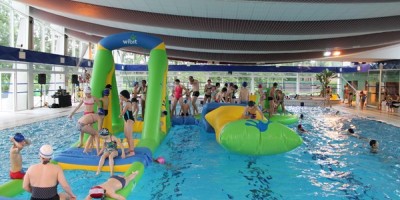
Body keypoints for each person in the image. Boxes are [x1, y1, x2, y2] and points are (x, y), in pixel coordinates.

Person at [119, 90, 135, 157]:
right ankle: (130, 148)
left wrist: (120, 105)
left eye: (121, 96)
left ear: (124, 96)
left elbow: (122, 113)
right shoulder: (125, 103)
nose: (120, 97)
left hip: (129, 121)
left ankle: (132, 152)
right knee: (126, 135)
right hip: (126, 121)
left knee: (129, 136)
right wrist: (121, 105)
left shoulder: (128, 103)